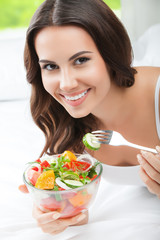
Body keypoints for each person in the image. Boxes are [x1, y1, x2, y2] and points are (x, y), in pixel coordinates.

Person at [19, 0, 160, 235]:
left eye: (81, 60)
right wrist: (58, 211)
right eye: (51, 66)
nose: (66, 84)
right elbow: (75, 201)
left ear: (111, 53)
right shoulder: (67, 122)